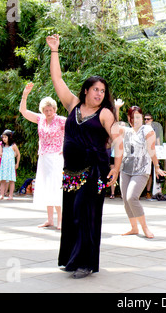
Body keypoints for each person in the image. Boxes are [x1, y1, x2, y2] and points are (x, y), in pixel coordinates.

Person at [46, 34, 122, 279]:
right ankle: (72, 259)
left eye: (103, 90)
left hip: (95, 171)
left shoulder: (105, 114)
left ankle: (86, 263)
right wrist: (54, 50)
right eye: (96, 89)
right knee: (71, 214)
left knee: (84, 212)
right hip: (71, 172)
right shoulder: (73, 105)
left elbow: (118, 140)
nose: (100, 94)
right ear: (87, 90)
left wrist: (116, 168)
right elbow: (57, 79)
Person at [19, 82, 66, 230]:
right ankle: (49, 219)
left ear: (55, 109)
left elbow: (74, 132)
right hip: (44, 156)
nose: (48, 112)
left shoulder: (61, 120)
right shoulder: (40, 119)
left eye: (50, 109)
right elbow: (23, 111)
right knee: (46, 186)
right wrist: (25, 95)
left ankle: (61, 220)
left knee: (56, 186)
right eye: (46, 110)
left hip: (57, 156)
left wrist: (66, 147)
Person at [116, 101, 166, 239]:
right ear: (129, 119)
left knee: (132, 197)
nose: (136, 119)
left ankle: (145, 228)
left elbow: (152, 150)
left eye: (139, 116)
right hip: (126, 169)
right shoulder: (126, 131)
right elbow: (113, 128)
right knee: (126, 200)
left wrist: (156, 167)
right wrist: (116, 108)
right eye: (133, 117)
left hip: (142, 169)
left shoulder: (147, 130)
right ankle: (134, 228)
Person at [0, 130, 20, 200]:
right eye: (3, 137)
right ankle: (1, 195)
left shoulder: (13, 145)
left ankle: (11, 195)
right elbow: (0, 153)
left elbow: (18, 154)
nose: (4, 139)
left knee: (11, 180)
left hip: (10, 165)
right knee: (3, 180)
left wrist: (17, 163)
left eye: (5, 137)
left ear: (9, 137)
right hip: (4, 164)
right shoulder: (2, 145)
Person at [144, 112, 161, 199]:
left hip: (152, 153)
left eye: (148, 119)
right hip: (142, 153)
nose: (146, 120)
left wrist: (158, 153)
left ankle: (148, 192)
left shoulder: (155, 129)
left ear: (152, 120)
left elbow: (157, 141)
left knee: (149, 173)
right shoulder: (141, 128)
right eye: (145, 119)